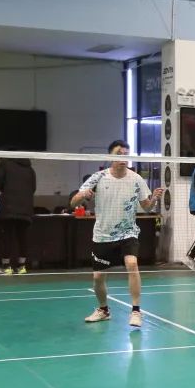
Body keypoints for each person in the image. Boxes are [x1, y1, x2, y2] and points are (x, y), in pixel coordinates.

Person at [72, 140, 163, 327]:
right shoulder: (98, 177)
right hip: (103, 235)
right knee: (98, 277)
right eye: (119, 154)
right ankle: (103, 310)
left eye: (126, 154)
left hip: (127, 232)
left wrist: (154, 199)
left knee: (132, 264)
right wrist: (82, 196)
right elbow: (73, 202)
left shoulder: (136, 179)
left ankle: (136, 311)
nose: (123, 158)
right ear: (110, 156)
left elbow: (146, 207)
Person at [0, 155, 37, 275]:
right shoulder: (30, 169)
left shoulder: (4, 163)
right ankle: (22, 266)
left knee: (7, 236)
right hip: (26, 208)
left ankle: (6, 267)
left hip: (9, 208)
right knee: (22, 237)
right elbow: (33, 188)